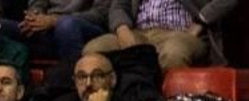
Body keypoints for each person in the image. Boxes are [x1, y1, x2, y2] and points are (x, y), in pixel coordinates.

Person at [85, 0, 237, 70]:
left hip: (180, 34)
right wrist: (122, 28)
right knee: (94, 51)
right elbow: (119, 5)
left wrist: (201, 21)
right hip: (139, 32)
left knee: (173, 53)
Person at [15, 0, 109, 60]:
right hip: (46, 27)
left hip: (82, 26)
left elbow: (99, 15)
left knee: (66, 24)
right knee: (3, 26)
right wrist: (34, 17)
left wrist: (55, 20)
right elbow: (37, 4)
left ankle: (73, 84)